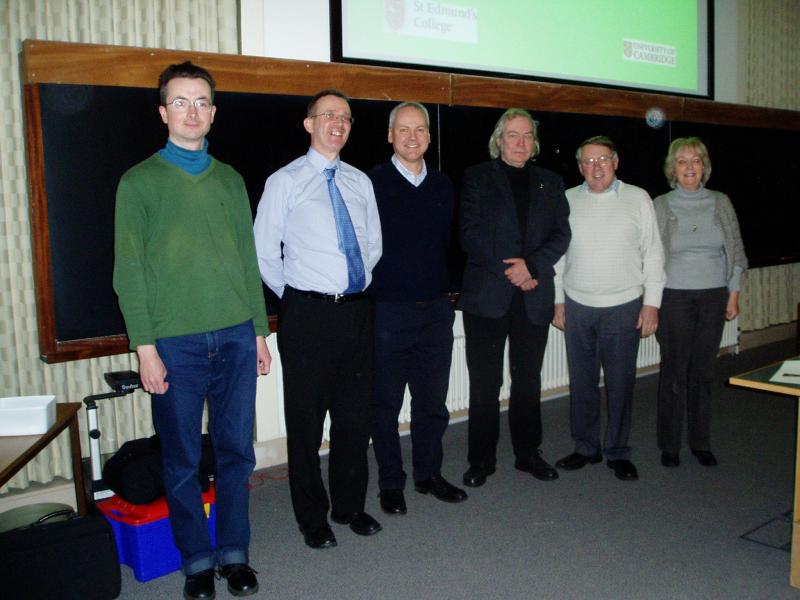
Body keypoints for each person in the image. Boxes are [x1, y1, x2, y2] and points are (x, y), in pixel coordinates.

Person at [113, 62, 270, 600]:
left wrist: (258, 330)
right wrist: (145, 348)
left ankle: (233, 554)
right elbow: (128, 271)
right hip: (174, 345)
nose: (192, 111)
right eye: (180, 101)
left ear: (213, 113)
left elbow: (248, 261)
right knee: (180, 460)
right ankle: (197, 561)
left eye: (201, 101)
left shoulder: (231, 180)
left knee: (235, 454)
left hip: (233, 335)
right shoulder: (139, 182)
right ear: (163, 112)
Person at [253, 89, 383, 549]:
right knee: (306, 423)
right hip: (307, 315)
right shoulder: (284, 181)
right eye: (328, 115)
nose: (338, 123)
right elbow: (264, 252)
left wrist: (354, 283)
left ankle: (349, 507)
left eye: (346, 117)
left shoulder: (360, 182)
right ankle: (313, 518)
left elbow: (373, 247)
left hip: (356, 312)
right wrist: (296, 294)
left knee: (354, 419)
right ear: (309, 124)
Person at [458, 108, 571, 488]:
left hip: (534, 295)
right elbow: (469, 235)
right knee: (485, 384)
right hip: (487, 296)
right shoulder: (477, 177)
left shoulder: (551, 182)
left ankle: (528, 454)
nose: (520, 142)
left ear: (534, 143)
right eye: (512, 135)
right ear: (499, 140)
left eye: (526, 136)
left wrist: (532, 268)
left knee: (528, 381)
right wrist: (513, 270)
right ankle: (481, 460)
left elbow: (561, 235)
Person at [368, 101, 467, 515]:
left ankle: (429, 475)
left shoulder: (443, 184)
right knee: (385, 405)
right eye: (403, 129)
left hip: (434, 312)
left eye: (420, 129)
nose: (412, 136)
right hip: (388, 311)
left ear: (429, 136)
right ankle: (392, 483)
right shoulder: (370, 183)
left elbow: (452, 245)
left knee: (432, 403)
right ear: (390, 135)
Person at [553, 135, 665, 481]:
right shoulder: (567, 199)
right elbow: (558, 256)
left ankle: (618, 451)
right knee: (582, 383)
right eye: (588, 161)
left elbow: (654, 253)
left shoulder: (638, 198)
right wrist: (557, 300)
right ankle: (586, 447)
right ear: (580, 167)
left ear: (616, 162)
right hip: (578, 304)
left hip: (624, 306)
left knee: (620, 383)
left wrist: (652, 304)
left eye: (602, 160)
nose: (595, 167)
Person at [653, 137, 747, 468]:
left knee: (703, 370)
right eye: (682, 161)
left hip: (713, 294)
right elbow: (650, 255)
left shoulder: (721, 202)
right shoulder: (661, 204)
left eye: (696, 160)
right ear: (672, 169)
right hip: (674, 296)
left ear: (704, 167)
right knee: (675, 371)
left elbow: (735, 251)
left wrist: (733, 293)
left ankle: (700, 441)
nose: (690, 167)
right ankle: (670, 444)